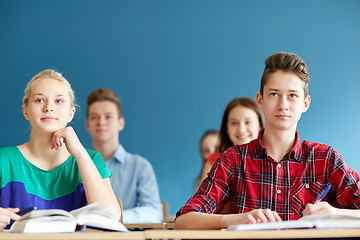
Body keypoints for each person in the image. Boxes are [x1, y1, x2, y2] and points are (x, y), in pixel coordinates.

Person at [175, 52, 360, 230]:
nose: (283, 105)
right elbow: (183, 220)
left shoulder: (326, 159)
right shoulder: (233, 159)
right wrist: (237, 219)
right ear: (260, 99)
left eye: (292, 95)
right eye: (274, 94)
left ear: (305, 103)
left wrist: (336, 213)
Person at [0, 70, 120, 231]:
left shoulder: (90, 159)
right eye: (39, 100)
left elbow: (111, 217)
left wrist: (79, 153)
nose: (49, 107)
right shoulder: (4, 160)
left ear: (71, 113)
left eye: (58, 101)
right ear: (25, 111)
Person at [85, 88, 163, 223]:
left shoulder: (140, 166)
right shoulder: (75, 165)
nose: (101, 122)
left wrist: (115, 218)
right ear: (87, 124)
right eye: (94, 117)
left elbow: (154, 212)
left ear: (120, 123)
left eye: (108, 116)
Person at [200, 97, 263, 182]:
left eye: (248, 122)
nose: (241, 129)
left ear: (259, 125)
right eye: (234, 123)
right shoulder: (215, 161)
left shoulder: (274, 161)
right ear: (227, 128)